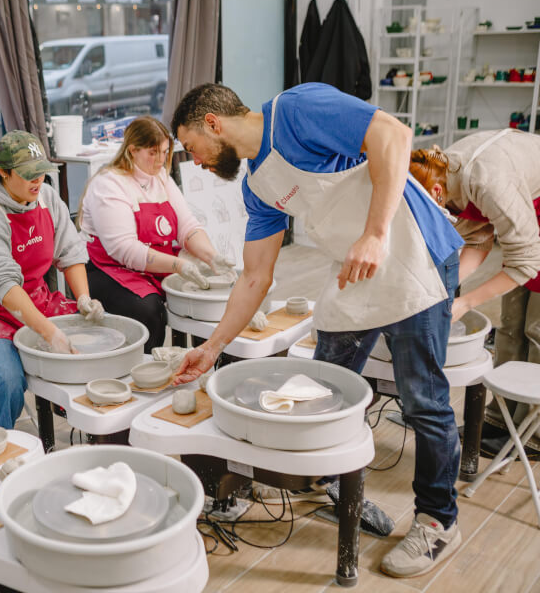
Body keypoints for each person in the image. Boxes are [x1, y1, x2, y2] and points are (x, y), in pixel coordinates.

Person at [170, 82, 464, 578]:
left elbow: (392, 135)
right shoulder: (256, 186)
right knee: (324, 380)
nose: (194, 161)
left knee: (423, 400)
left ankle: (438, 522)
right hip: (354, 269)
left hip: (413, 252)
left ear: (213, 125)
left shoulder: (295, 110)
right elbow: (255, 276)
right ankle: (329, 478)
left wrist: (374, 233)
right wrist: (212, 347)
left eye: (191, 147)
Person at [0, 131, 102, 429]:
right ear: (3, 172)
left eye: (41, 172)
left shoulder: (46, 198)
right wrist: (49, 333)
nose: (37, 181)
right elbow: (4, 285)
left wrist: (82, 298)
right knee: (6, 377)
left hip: (33, 299)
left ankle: (88, 429)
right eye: (28, 175)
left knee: (95, 342)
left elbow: (69, 252)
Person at [411, 130, 540, 455]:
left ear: (436, 193)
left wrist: (467, 302)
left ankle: (532, 434)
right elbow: (478, 237)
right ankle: (499, 420)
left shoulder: (485, 181)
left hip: (528, 211)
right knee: (511, 325)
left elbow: (526, 262)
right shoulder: (444, 172)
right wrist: (448, 292)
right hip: (522, 209)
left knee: (536, 329)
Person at [78, 116, 233, 352]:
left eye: (164, 152)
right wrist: (179, 265)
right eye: (153, 153)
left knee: (206, 298)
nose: (161, 159)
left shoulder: (160, 177)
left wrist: (212, 257)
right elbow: (124, 249)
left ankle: (205, 362)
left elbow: (187, 226)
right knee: (150, 311)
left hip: (155, 262)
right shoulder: (109, 184)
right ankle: (146, 371)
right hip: (108, 268)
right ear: (132, 151)